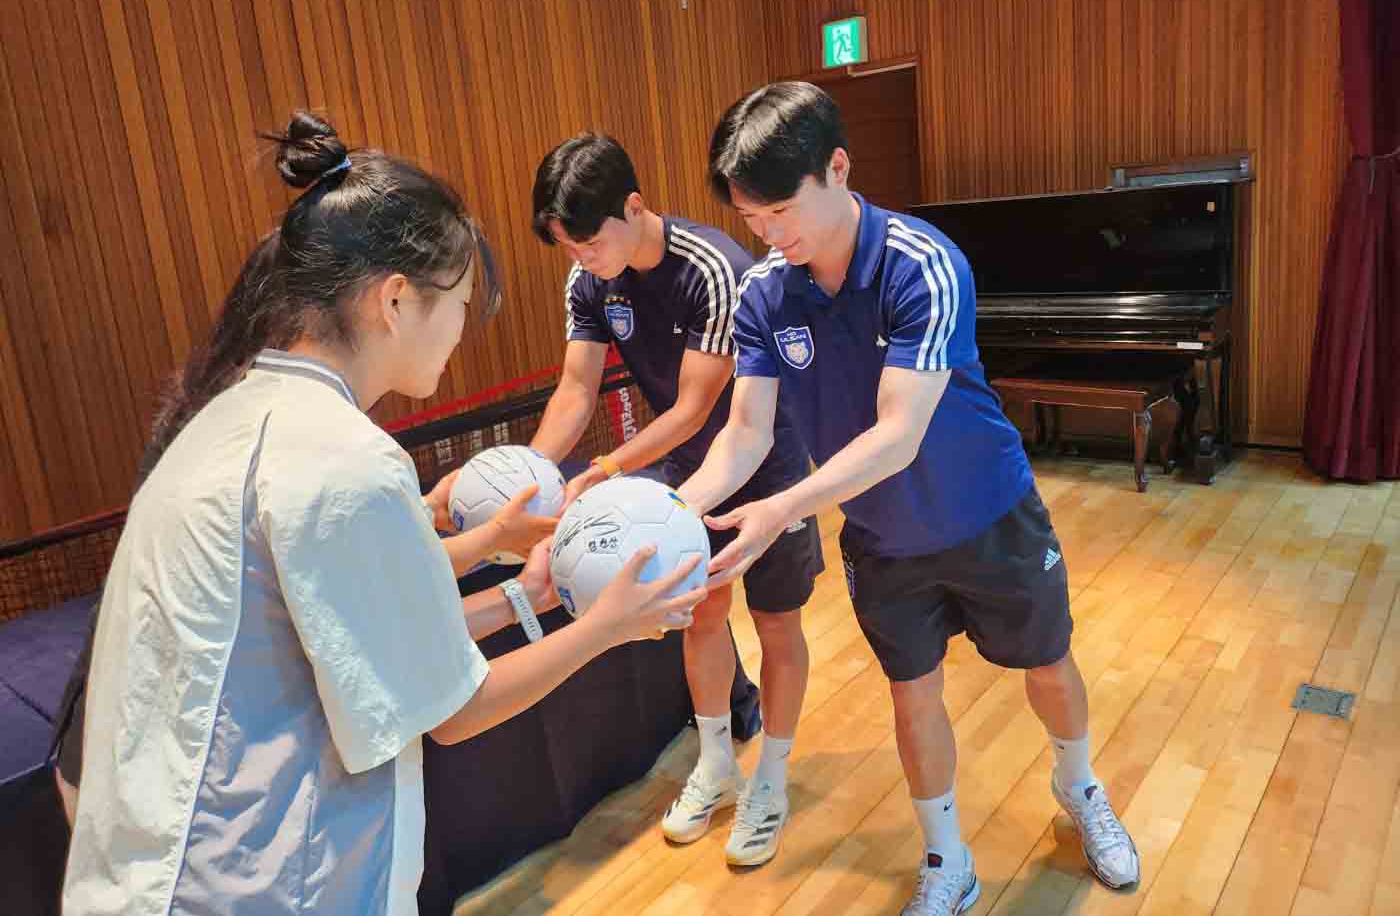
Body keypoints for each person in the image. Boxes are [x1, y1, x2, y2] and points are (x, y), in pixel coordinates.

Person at [60, 113, 705, 916]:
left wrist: (526, 592)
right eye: (463, 303)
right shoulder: (347, 463)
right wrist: (604, 625)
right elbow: (456, 711)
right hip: (252, 887)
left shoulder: (231, 418)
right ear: (396, 300)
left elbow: (350, 627)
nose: (464, 329)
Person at [676, 82, 1141, 914]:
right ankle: (947, 857)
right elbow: (745, 435)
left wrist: (784, 507)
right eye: (753, 219)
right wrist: (680, 514)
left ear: (840, 167)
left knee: (1048, 665)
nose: (771, 236)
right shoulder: (764, 294)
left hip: (988, 511)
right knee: (911, 692)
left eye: (782, 210)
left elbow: (900, 433)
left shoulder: (920, 262)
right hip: (885, 541)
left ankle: (1080, 787)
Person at [523, 134, 824, 866]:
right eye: (569, 249)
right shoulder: (588, 281)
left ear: (634, 208)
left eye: (590, 243)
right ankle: (717, 763)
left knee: (777, 625)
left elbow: (695, 407)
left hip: (767, 462)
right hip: (683, 470)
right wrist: (532, 473)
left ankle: (773, 780)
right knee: (701, 614)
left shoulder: (716, 268)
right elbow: (575, 387)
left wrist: (604, 467)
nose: (582, 260)